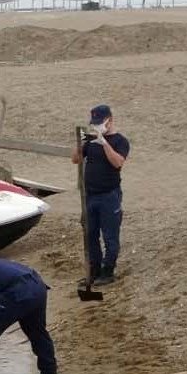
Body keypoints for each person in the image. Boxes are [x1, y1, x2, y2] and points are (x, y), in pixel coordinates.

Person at [70, 104, 130, 284]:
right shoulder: (91, 142)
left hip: (109, 196)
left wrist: (103, 142)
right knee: (90, 234)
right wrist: (80, 143)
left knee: (110, 236)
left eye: (99, 123)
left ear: (109, 121)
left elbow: (118, 163)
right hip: (90, 196)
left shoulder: (120, 141)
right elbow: (75, 159)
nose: (96, 126)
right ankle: (94, 270)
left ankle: (108, 271)